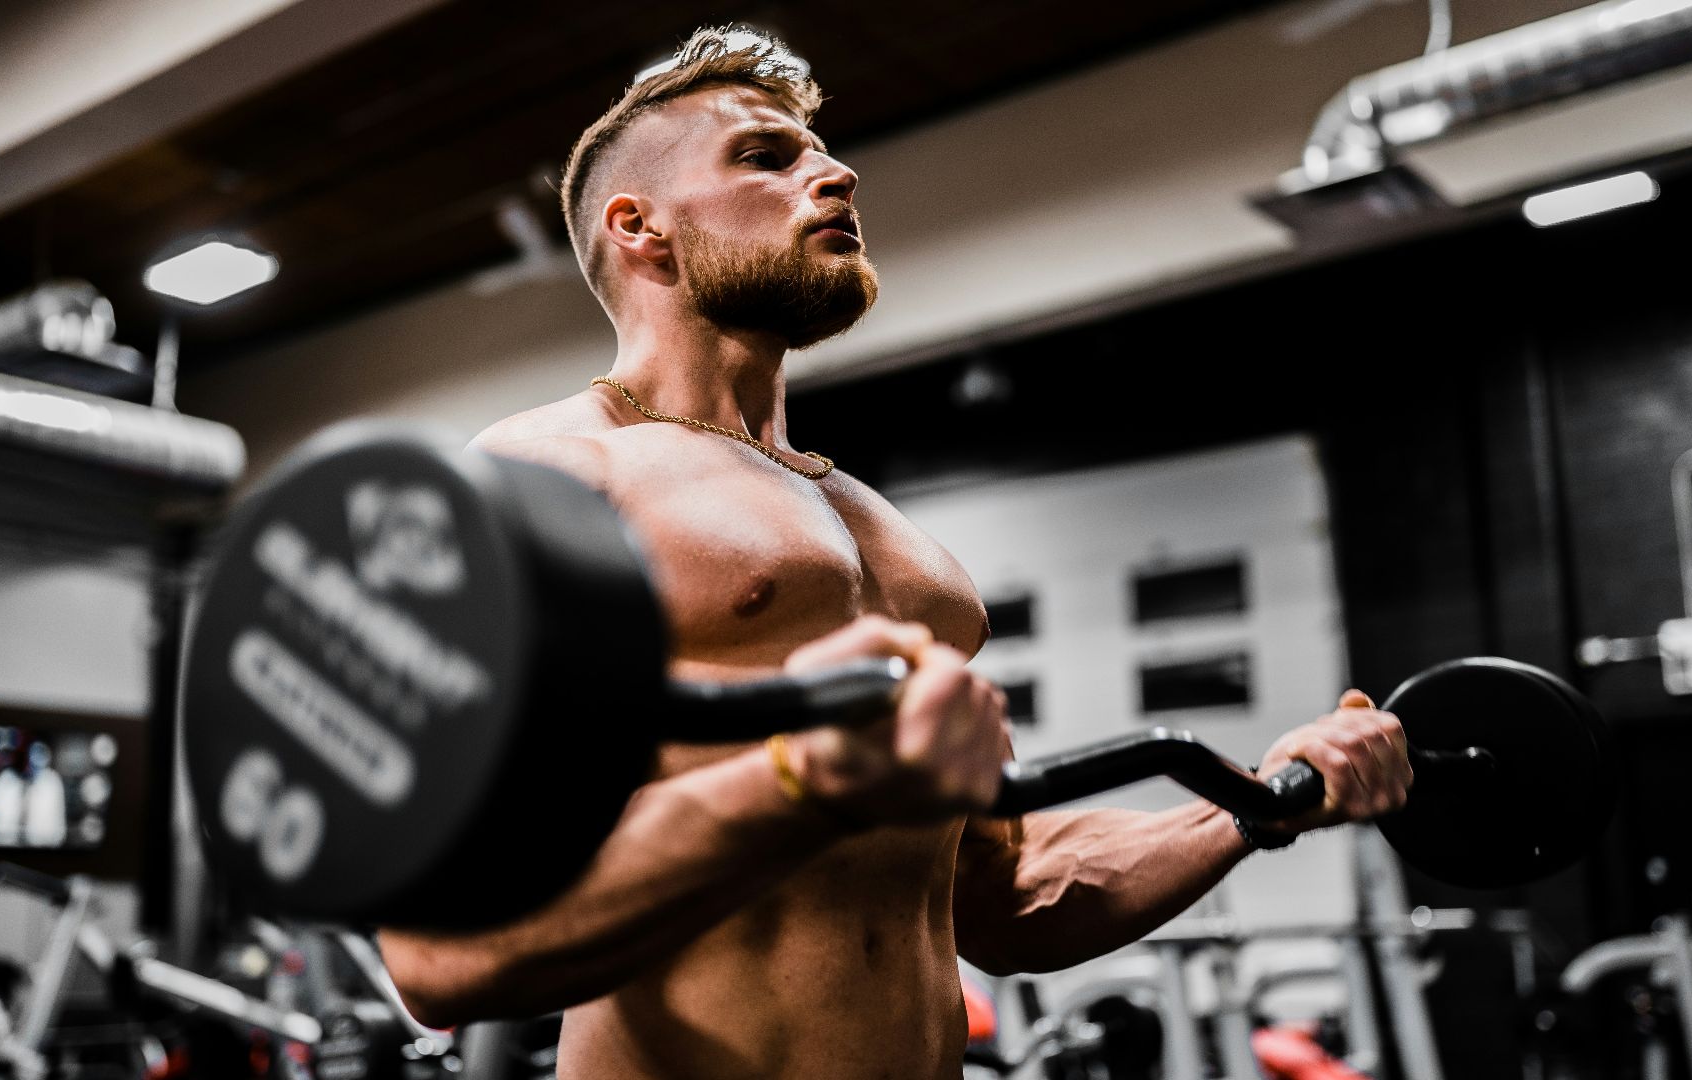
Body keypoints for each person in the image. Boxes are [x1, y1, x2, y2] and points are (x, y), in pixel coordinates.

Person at [377, 27, 1411, 1080]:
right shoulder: (544, 479)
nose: (836, 172)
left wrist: (1263, 800)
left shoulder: (882, 532)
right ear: (641, 227)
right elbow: (441, 952)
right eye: (767, 156)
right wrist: (797, 776)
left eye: (819, 153)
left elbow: (1004, 898)